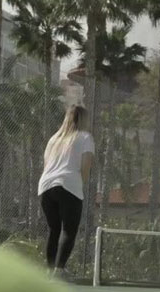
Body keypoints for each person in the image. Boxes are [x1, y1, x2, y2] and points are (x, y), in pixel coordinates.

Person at [37, 105, 94, 280]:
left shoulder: (54, 139)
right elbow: (85, 167)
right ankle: (59, 271)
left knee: (54, 229)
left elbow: (47, 165)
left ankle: (50, 271)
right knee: (69, 230)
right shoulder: (85, 137)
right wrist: (79, 183)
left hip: (45, 187)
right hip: (68, 185)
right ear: (84, 120)